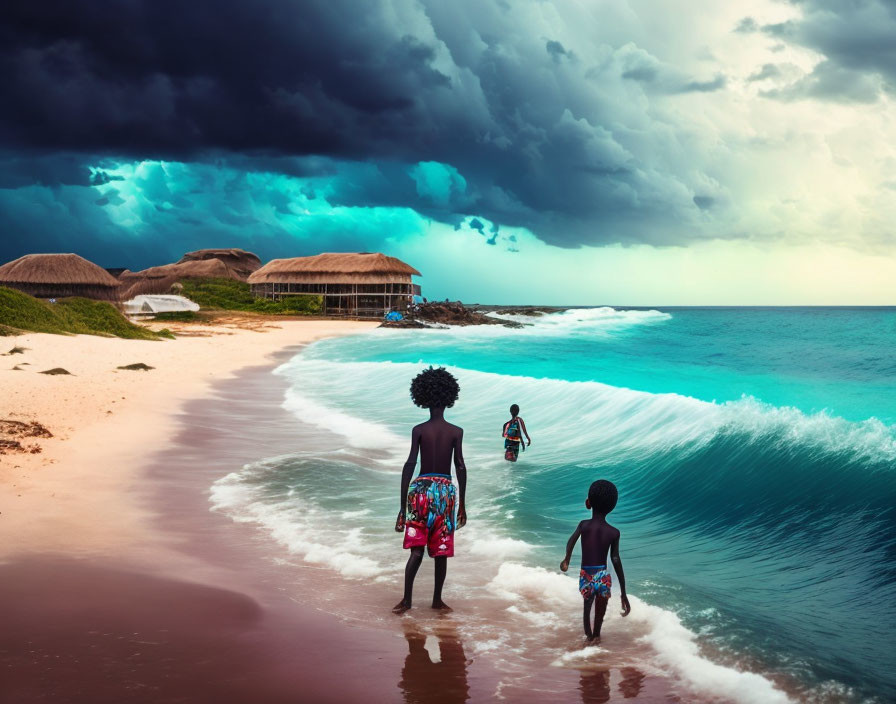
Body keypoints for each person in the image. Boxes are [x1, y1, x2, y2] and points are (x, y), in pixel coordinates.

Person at [393, 367, 467, 614]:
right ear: (449, 398)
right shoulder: (456, 431)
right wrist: (463, 505)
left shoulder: (419, 430)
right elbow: (460, 467)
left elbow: (410, 465)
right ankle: (437, 600)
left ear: (422, 398)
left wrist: (402, 507)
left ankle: (406, 600)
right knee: (441, 551)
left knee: (417, 551)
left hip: (420, 490)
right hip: (445, 492)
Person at [560, 479, 631, 641]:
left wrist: (567, 560)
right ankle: (597, 637)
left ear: (588, 503)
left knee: (587, 609)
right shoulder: (614, 532)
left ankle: (588, 638)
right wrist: (624, 593)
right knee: (600, 610)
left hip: (587, 575)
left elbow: (571, 541)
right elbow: (615, 559)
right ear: (612, 507)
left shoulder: (583, 525)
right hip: (602, 577)